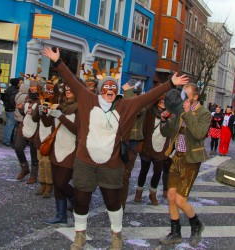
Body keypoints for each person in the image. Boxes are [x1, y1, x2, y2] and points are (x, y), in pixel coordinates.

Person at [43, 46, 189, 250]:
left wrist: (170, 84)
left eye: (113, 88)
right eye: (106, 87)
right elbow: (72, 81)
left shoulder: (125, 106)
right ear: (100, 90)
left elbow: (149, 97)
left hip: (111, 164)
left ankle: (116, 235)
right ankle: (80, 235)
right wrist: (58, 62)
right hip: (85, 162)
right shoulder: (87, 99)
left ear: (117, 91)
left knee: (113, 201)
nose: (110, 91)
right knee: (80, 200)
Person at [158, 84, 211, 247]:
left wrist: (188, 113)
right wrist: (164, 120)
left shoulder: (204, 114)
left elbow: (199, 133)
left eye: (185, 96)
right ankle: (175, 233)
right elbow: (167, 133)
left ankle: (196, 224)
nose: (182, 99)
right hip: (177, 158)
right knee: (171, 197)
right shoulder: (180, 111)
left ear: (195, 97)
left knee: (181, 201)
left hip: (191, 160)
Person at [43, 81, 78, 224]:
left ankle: (78, 200)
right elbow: (47, 124)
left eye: (71, 89)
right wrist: (44, 113)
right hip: (56, 148)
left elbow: (78, 130)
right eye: (66, 89)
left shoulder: (80, 108)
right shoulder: (59, 106)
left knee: (61, 183)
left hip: (71, 150)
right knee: (57, 184)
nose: (68, 91)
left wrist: (60, 116)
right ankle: (61, 215)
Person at [134, 92, 171, 205]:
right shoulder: (149, 112)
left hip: (161, 148)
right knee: (143, 171)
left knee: (157, 173)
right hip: (147, 147)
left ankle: (152, 194)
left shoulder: (171, 115)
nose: (162, 102)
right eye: (160, 100)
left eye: (165, 101)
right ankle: (138, 192)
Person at [120, 80, 146, 209]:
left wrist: (127, 90)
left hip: (133, 142)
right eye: (132, 93)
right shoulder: (122, 103)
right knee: (114, 173)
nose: (134, 96)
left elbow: (136, 108)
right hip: (119, 140)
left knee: (125, 175)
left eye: (136, 94)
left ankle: (121, 205)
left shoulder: (141, 105)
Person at [13, 77, 40, 184]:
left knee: (34, 153)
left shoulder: (42, 99)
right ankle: (25, 168)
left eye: (35, 87)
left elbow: (41, 115)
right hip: (25, 126)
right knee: (18, 147)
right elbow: (25, 112)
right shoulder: (28, 98)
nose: (33, 89)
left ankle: (33, 175)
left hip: (36, 128)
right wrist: (20, 108)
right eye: (32, 86)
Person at [2, 78, 19, 146]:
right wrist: (15, 106)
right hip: (12, 109)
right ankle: (7, 140)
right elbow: (12, 100)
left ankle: (7, 139)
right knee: (11, 125)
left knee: (8, 124)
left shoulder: (8, 89)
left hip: (7, 108)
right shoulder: (15, 90)